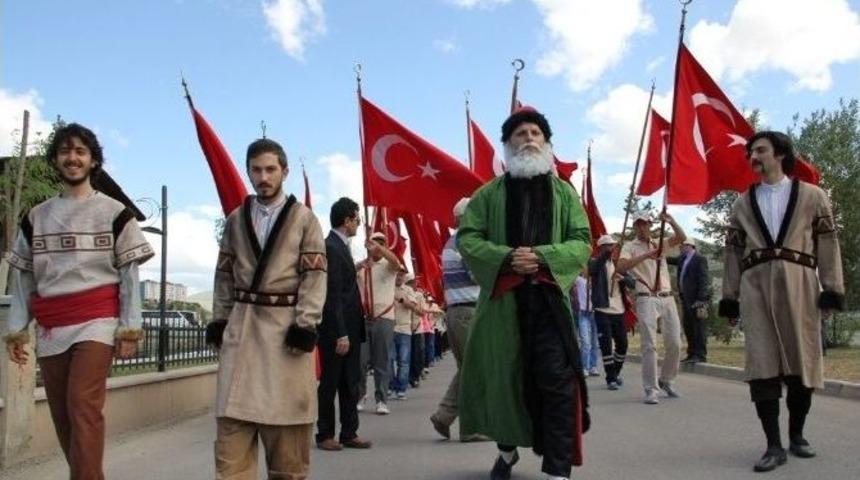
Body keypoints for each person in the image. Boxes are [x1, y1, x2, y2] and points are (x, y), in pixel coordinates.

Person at [4, 123, 154, 480]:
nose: (72, 158)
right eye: (65, 151)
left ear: (93, 160)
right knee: (62, 413)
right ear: (56, 159)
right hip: (52, 325)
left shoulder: (115, 213)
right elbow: (23, 277)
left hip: (97, 321)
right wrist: (16, 331)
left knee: (82, 405)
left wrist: (129, 328)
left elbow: (130, 276)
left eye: (80, 151)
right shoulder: (35, 216)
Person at [457, 107, 592, 480]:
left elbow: (582, 240)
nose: (529, 139)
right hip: (503, 303)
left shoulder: (565, 194)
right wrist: (506, 258)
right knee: (505, 381)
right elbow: (468, 237)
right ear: (508, 145)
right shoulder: (487, 194)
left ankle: (557, 470)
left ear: (546, 143)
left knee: (557, 380)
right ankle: (507, 451)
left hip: (549, 303)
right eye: (520, 134)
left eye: (536, 133)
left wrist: (543, 257)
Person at [719, 131, 844, 472]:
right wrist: (730, 298)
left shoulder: (813, 196)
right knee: (762, 363)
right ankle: (773, 445)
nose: (752, 157)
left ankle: (798, 435)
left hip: (800, 283)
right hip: (755, 285)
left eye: (759, 150)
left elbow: (828, 244)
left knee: (801, 360)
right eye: (750, 152)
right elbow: (732, 253)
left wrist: (831, 289)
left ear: (780, 154)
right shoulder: (741, 203)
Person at [207, 138, 326, 479]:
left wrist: (306, 323)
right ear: (248, 171)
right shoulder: (235, 220)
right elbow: (224, 276)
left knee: (289, 456)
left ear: (284, 171)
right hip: (242, 333)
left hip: (285, 336)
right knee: (231, 448)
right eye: (256, 169)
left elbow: (315, 277)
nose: (263, 176)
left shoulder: (305, 220)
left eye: (270, 169)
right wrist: (219, 319)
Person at [316, 197, 372, 451]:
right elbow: (333, 294)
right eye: (357, 219)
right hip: (335, 331)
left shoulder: (343, 247)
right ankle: (325, 434)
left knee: (350, 381)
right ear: (347, 220)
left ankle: (349, 432)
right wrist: (340, 333)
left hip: (350, 327)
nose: (359, 224)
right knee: (330, 382)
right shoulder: (330, 247)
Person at [617, 210, 687, 405]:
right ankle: (651, 388)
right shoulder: (629, 246)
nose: (642, 227)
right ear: (634, 226)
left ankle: (667, 380)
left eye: (645, 223)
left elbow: (681, 238)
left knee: (675, 342)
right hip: (646, 296)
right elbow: (621, 267)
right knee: (650, 344)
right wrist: (647, 255)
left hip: (666, 296)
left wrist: (671, 221)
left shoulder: (659, 242)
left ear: (650, 225)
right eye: (638, 224)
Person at [429, 197, 486, 441]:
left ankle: (444, 415)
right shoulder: (467, 241)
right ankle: (471, 428)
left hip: (456, 311)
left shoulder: (452, 242)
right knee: (475, 369)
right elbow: (476, 275)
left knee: (467, 368)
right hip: (468, 311)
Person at [356, 231, 402, 415]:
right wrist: (360, 264)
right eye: (375, 242)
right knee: (360, 361)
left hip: (384, 318)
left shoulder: (388, 265)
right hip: (363, 318)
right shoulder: (362, 267)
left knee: (381, 361)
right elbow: (345, 274)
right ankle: (360, 395)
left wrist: (381, 249)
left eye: (382, 242)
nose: (377, 245)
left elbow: (396, 262)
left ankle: (381, 399)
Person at [589, 234, 634, 390]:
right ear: (601, 248)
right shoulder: (595, 262)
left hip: (619, 310)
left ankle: (615, 372)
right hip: (602, 309)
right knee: (606, 344)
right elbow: (594, 268)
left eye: (612, 245)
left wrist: (623, 279)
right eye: (608, 245)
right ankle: (610, 379)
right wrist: (608, 252)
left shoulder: (618, 265)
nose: (611, 248)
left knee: (622, 344)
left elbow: (632, 283)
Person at [670, 238, 710, 363]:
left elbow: (704, 279)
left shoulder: (699, 259)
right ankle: (691, 353)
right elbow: (671, 260)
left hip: (697, 298)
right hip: (685, 297)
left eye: (682, 246)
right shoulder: (682, 259)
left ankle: (700, 355)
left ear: (690, 246)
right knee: (689, 326)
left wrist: (701, 299)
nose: (680, 248)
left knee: (698, 327)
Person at [389, 270, 419, 400]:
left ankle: (401, 388)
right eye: (397, 274)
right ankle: (391, 386)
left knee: (404, 361)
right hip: (389, 328)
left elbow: (413, 306)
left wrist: (401, 299)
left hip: (404, 329)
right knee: (388, 360)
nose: (399, 277)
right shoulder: (387, 287)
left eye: (401, 275)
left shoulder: (408, 290)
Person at [573, 271, 600, 377]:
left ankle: (593, 366)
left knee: (595, 342)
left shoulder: (597, 282)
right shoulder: (579, 280)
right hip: (583, 314)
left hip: (595, 312)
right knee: (585, 342)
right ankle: (584, 367)